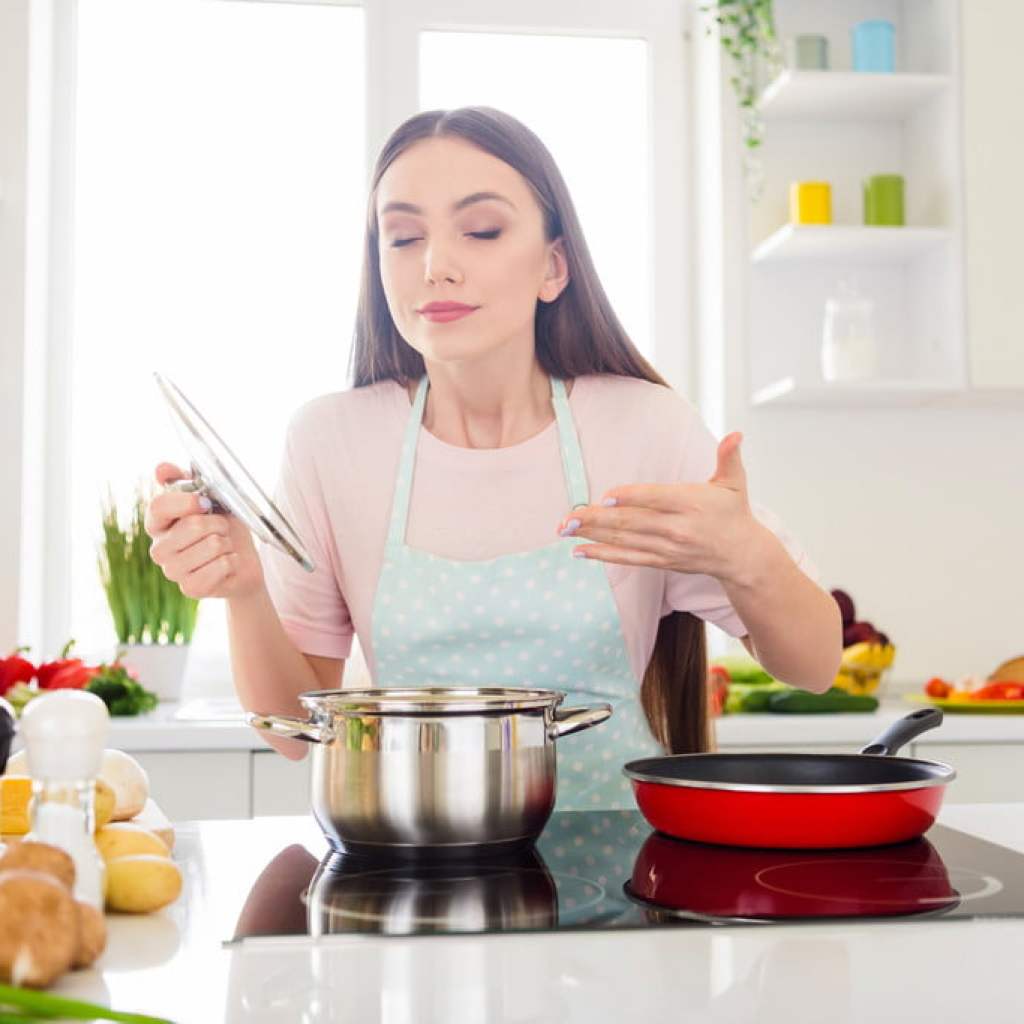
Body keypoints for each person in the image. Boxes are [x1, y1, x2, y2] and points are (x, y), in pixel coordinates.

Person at [145, 107, 841, 811]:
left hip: (617, 873)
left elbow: (815, 665)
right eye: (404, 237)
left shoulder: (642, 427)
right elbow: (297, 731)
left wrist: (745, 555)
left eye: (481, 231)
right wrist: (242, 592)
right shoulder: (332, 440)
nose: (436, 266)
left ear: (553, 266)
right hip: (410, 865)